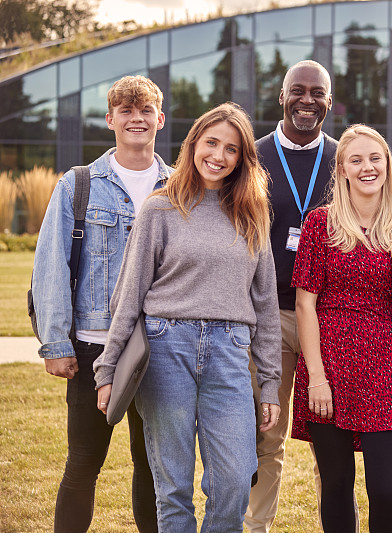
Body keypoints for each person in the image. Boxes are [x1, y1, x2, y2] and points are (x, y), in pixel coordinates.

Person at [93, 102, 282, 531]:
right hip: (165, 348)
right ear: (193, 142)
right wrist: (108, 368)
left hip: (230, 351)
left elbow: (266, 304)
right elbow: (129, 294)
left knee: (235, 479)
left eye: (231, 149)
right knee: (173, 487)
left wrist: (270, 384)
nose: (218, 155)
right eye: (211, 142)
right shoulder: (160, 209)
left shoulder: (253, 213)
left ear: (242, 158)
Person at [32, 75, 168, 533]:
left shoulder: (178, 186)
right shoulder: (79, 185)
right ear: (110, 119)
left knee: (153, 468)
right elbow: (49, 264)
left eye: (145, 110)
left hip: (163, 347)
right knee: (83, 463)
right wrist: (56, 343)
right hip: (95, 347)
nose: (136, 118)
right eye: (126, 111)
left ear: (160, 120)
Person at [291, 124, 392, 533]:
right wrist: (316, 378)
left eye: (375, 158)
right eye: (357, 159)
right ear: (343, 170)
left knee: (387, 490)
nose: (367, 167)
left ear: (388, 166)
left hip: (383, 365)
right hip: (329, 364)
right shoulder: (321, 225)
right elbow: (304, 304)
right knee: (336, 484)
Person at [245, 59, 342, 533]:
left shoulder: (347, 160)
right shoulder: (252, 156)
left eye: (317, 93)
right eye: (298, 91)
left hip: (329, 318)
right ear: (282, 96)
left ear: (329, 100)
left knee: (334, 440)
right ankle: (254, 526)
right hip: (267, 316)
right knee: (267, 435)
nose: (308, 100)